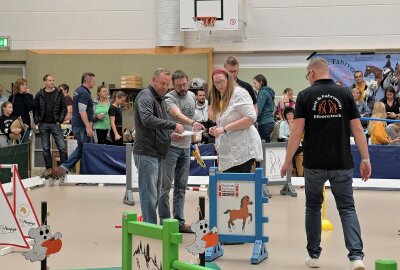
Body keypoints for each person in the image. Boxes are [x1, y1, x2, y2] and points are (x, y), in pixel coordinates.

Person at [280, 58, 371, 270]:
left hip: (314, 162)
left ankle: (313, 256)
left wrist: (287, 161)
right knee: (347, 208)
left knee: (313, 207)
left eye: (307, 75)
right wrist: (366, 159)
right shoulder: (345, 93)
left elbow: (296, 132)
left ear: (312, 73)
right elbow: (358, 130)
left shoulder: (305, 95)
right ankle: (356, 257)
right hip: (341, 161)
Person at [133, 68, 184, 224]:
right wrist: (173, 125)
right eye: (162, 83)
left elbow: (157, 127)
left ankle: (152, 225)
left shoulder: (160, 99)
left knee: (156, 192)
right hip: (147, 153)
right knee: (149, 193)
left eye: (167, 84)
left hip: (159, 153)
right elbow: (147, 120)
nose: (165, 87)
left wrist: (169, 135)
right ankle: (150, 226)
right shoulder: (146, 97)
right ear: (153, 80)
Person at [159, 70, 202, 233]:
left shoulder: (191, 96)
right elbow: (176, 114)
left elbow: (190, 126)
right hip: (170, 148)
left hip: (185, 148)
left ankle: (179, 222)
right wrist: (193, 121)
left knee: (181, 187)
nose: (183, 88)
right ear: (173, 85)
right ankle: (165, 222)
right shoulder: (169, 98)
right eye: (179, 86)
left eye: (185, 84)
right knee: (165, 186)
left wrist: (194, 145)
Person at [208, 67, 262, 173]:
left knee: (239, 186)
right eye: (216, 83)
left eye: (221, 81)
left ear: (229, 79)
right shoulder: (223, 96)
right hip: (230, 153)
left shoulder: (239, 93)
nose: (219, 85)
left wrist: (224, 128)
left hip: (242, 153)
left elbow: (251, 118)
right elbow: (229, 118)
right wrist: (218, 127)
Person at [55, 72, 96, 177]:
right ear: (88, 81)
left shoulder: (79, 90)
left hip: (78, 125)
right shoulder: (83, 93)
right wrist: (88, 126)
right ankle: (65, 168)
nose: (94, 83)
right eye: (93, 81)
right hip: (82, 126)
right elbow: (82, 111)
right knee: (85, 148)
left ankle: (65, 168)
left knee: (82, 148)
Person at [34, 74, 68, 179]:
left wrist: (60, 120)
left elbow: (64, 108)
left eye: (53, 80)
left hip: (55, 124)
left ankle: (63, 170)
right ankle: (48, 170)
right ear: (45, 82)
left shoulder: (59, 93)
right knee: (46, 148)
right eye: (50, 80)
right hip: (43, 124)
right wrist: (37, 121)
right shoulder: (39, 94)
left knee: (62, 147)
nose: (52, 82)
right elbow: (35, 108)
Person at [8, 78, 35, 143]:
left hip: (26, 124)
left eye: (25, 85)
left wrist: (26, 95)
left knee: (25, 144)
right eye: (22, 85)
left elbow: (30, 107)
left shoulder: (29, 96)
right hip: (16, 124)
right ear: (18, 86)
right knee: (16, 144)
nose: (24, 86)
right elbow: (10, 111)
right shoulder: (12, 97)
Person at [253, 74, 275, 142]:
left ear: (261, 82)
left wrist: (252, 120)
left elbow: (258, 109)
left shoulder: (263, 92)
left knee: (262, 145)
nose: (254, 85)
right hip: (269, 122)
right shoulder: (268, 91)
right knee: (265, 144)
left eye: (255, 83)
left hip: (264, 122)